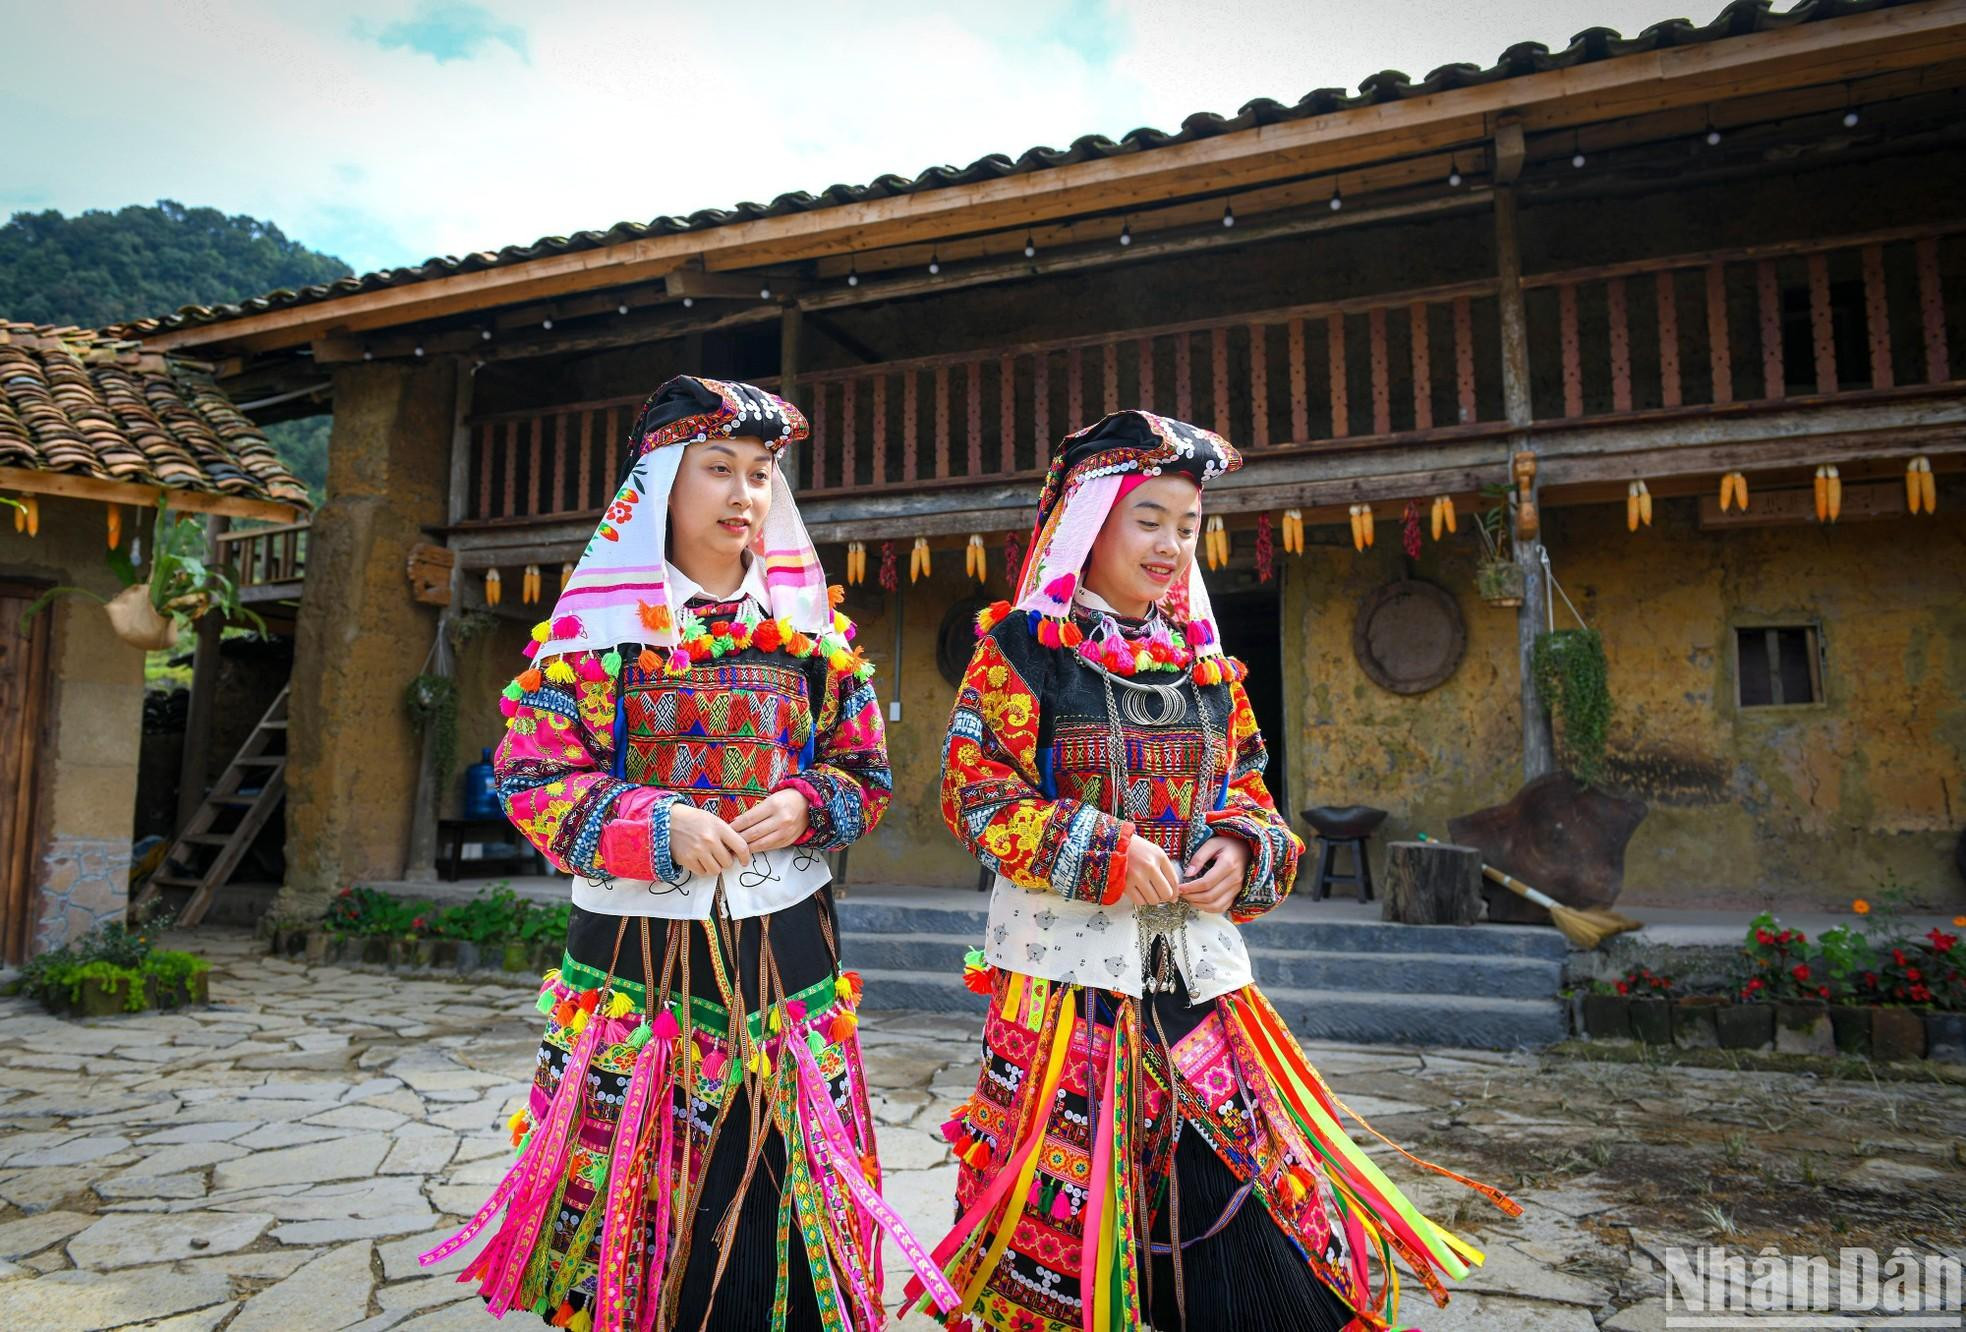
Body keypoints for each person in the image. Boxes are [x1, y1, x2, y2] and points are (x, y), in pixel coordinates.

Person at [911, 411, 1519, 1332]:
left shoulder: (1205, 668)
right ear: (1090, 521)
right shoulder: (1019, 655)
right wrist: (1102, 851)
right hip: (1069, 998)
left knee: (1241, 1202)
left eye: (1188, 527)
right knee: (1066, 1233)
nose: (1170, 545)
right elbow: (973, 794)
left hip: (1194, 988)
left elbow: (1247, 789)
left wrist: (1240, 847)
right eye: (1148, 518)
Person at [423, 377, 958, 1332]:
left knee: (783, 1164)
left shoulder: (814, 642)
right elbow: (535, 779)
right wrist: (652, 823)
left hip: (788, 946)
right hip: (637, 955)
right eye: (718, 469)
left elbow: (866, 771)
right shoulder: (591, 643)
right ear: (661, 485)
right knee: (642, 1170)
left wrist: (808, 800)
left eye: (760, 474)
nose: (744, 495)